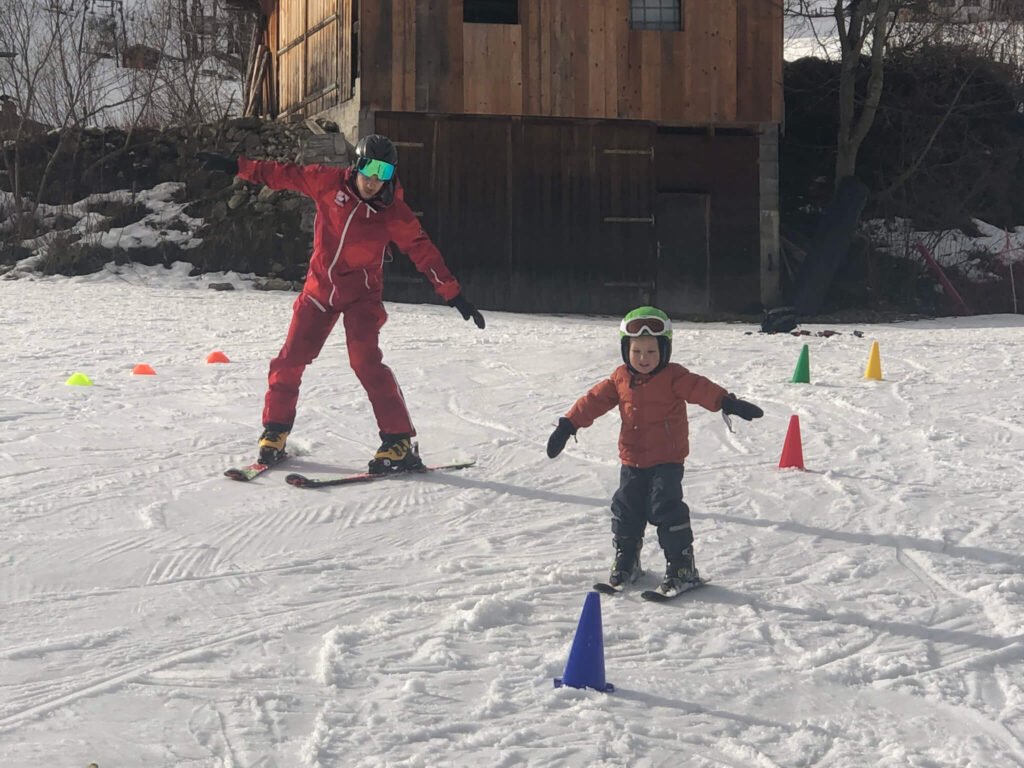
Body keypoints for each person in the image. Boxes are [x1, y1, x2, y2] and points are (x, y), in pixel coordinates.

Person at [195, 135, 485, 473]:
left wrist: (453, 294)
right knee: (289, 360)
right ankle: (275, 431)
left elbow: (423, 251)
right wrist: (237, 166)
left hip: (362, 297)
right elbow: (281, 173)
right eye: (369, 169)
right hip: (319, 291)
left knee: (365, 362)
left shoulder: (393, 212)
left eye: (384, 172)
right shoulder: (328, 182)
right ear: (357, 165)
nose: (374, 180)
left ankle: (398, 440)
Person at [545, 306, 763, 595]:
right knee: (626, 508)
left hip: (667, 459)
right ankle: (627, 561)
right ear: (626, 351)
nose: (644, 359)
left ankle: (682, 567)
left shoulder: (674, 377)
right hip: (632, 458)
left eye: (651, 351)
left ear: (665, 350)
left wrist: (727, 402)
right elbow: (593, 401)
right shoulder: (620, 378)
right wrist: (568, 424)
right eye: (637, 352)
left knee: (666, 507)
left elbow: (700, 388)